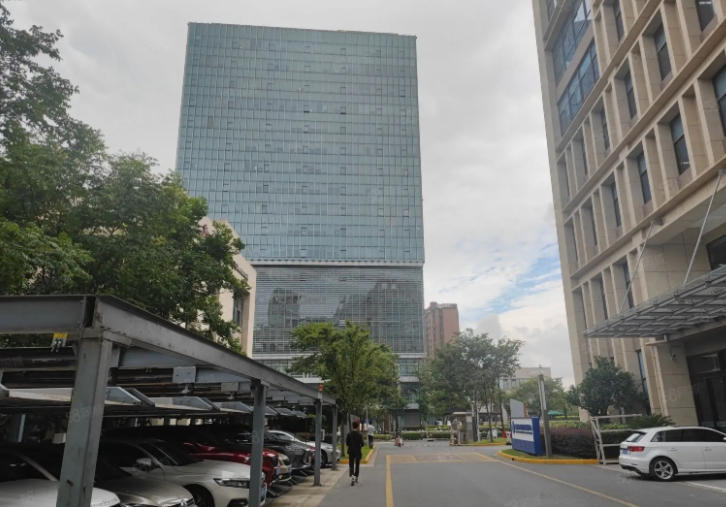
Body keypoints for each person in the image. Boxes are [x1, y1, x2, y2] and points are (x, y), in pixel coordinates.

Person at [346, 420, 365, 485]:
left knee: (351, 465)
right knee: (357, 464)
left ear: (352, 426)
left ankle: (352, 477)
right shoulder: (360, 434)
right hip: (357, 451)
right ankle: (356, 477)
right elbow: (362, 444)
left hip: (351, 451)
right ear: (357, 427)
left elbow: (347, 443)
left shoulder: (349, 434)